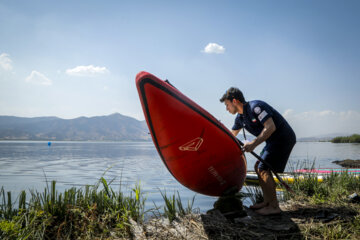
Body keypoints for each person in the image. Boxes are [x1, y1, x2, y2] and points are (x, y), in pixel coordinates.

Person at [220, 87, 296, 216]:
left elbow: (271, 127)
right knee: (258, 167)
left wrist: (253, 144)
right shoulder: (240, 118)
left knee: (263, 168)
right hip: (272, 141)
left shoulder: (256, 107)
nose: (226, 108)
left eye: (227, 105)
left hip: (283, 138)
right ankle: (267, 202)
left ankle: (273, 206)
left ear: (234, 101)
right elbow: (231, 136)